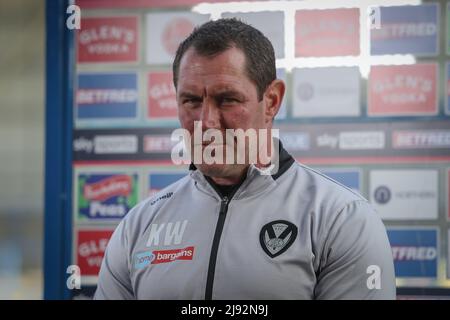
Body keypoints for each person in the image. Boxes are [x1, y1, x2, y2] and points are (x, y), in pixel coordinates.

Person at [94, 18, 396, 300]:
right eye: (192, 101)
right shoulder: (139, 224)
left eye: (228, 99)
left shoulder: (341, 218)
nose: (207, 122)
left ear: (272, 101)